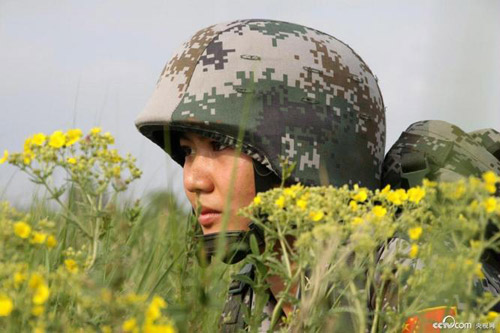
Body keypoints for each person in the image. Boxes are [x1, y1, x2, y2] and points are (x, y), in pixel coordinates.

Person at [135, 19, 385, 331]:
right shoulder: (249, 294)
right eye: (187, 152)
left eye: (218, 144)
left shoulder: (400, 276)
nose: (193, 181)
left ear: (305, 151)